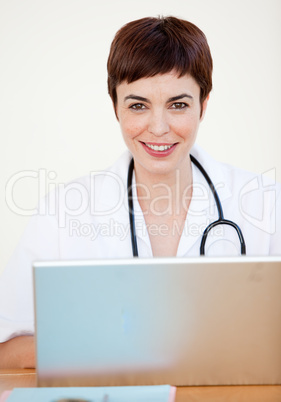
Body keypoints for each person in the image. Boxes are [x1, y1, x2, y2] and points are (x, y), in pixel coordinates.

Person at [0, 16, 280, 369]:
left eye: (178, 105)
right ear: (115, 107)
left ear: (203, 105)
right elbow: (5, 347)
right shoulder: (61, 213)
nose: (158, 128)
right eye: (138, 105)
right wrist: (110, 346)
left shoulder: (265, 204)